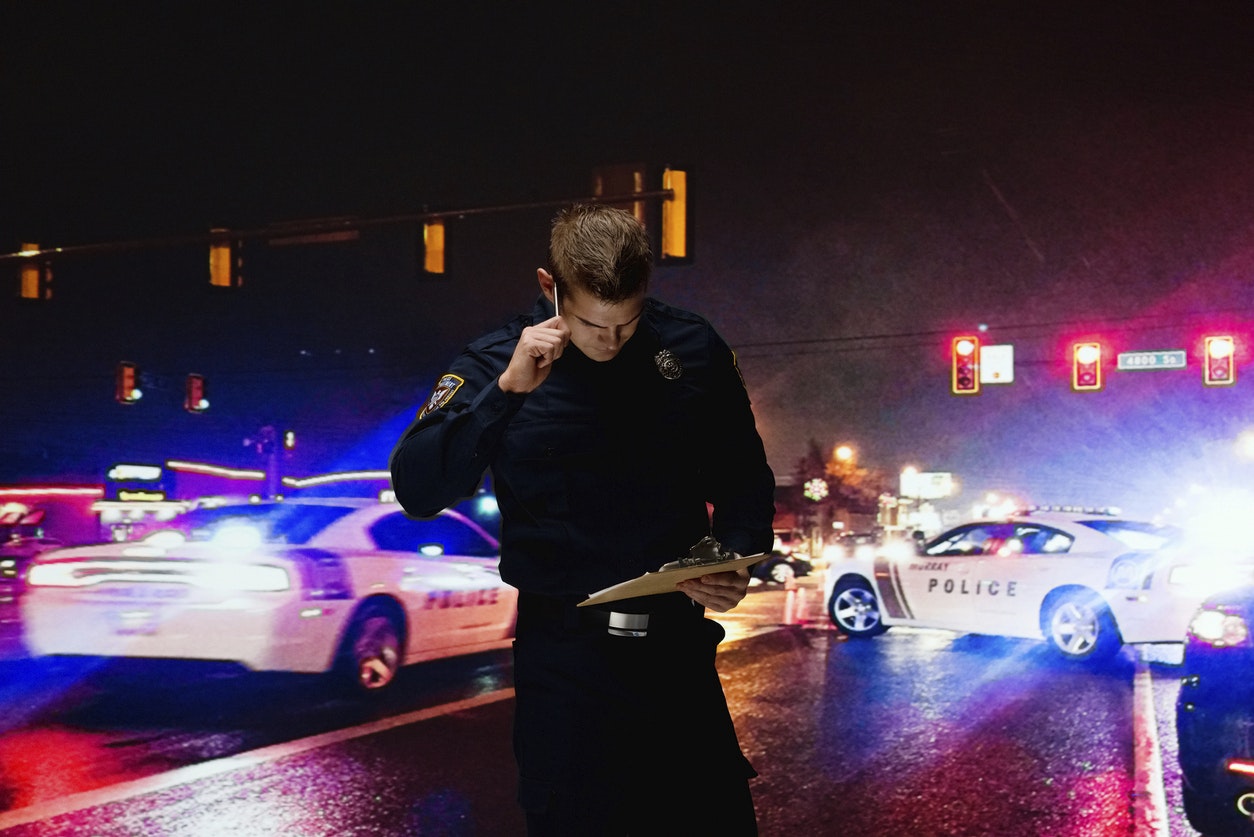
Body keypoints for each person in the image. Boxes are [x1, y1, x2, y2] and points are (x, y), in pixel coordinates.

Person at [389, 203, 776, 835]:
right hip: (565, 661)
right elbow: (417, 487)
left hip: (676, 654)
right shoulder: (493, 362)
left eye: (628, 323)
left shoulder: (692, 347)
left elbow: (743, 474)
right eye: (593, 324)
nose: (610, 341)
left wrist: (735, 556)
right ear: (550, 287)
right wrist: (507, 394)